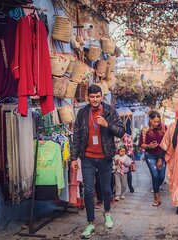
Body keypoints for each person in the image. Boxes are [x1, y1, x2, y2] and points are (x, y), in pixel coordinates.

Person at [71, 84, 125, 239]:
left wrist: (107, 125)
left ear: (102, 96)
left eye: (97, 96)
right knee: (88, 191)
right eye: (92, 97)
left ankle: (107, 213)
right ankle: (91, 223)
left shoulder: (109, 111)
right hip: (87, 157)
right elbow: (77, 136)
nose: (95, 99)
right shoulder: (82, 112)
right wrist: (74, 158)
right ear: (88, 97)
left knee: (106, 189)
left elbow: (121, 132)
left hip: (105, 157)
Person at [139, 110, 167, 206]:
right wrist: (149, 146)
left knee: (162, 176)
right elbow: (141, 145)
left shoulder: (163, 129)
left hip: (162, 156)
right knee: (155, 175)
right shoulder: (145, 130)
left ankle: (156, 186)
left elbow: (166, 144)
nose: (156, 123)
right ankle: (156, 196)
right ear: (150, 120)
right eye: (154, 121)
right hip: (150, 156)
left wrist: (160, 159)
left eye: (158, 121)